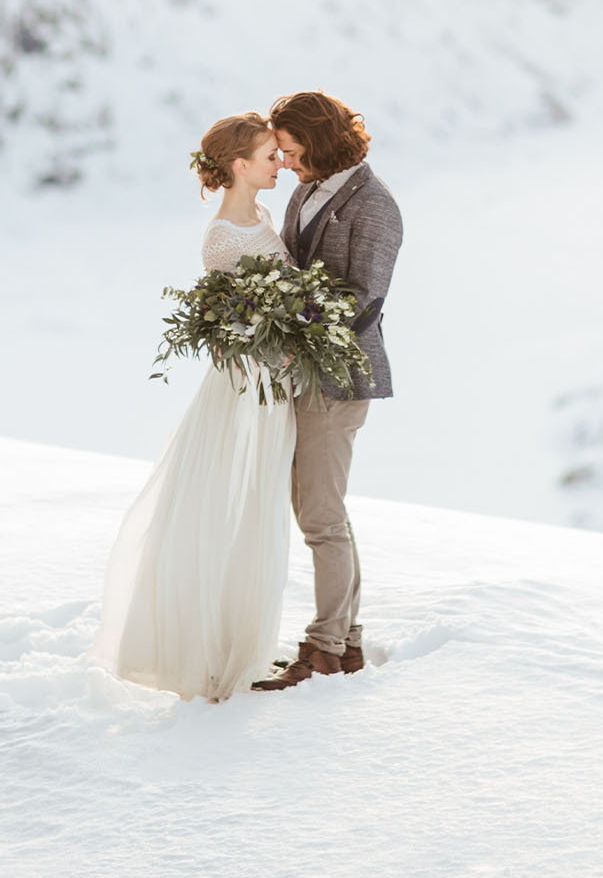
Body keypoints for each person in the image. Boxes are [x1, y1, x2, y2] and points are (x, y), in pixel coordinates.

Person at [92, 113, 297, 702]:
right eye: (268, 157)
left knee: (260, 506)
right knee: (225, 506)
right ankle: (206, 652)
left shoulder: (261, 216)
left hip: (274, 383)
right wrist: (271, 348)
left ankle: (246, 642)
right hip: (245, 388)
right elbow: (229, 326)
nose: (277, 164)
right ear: (240, 166)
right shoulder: (222, 235)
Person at [252, 90, 403, 693]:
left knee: (319, 516)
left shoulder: (376, 205)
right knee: (320, 512)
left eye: (289, 151)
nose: (284, 163)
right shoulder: (304, 191)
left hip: (339, 376)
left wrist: (290, 317)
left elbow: (362, 295)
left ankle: (324, 650)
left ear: (317, 141)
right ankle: (346, 644)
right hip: (301, 371)